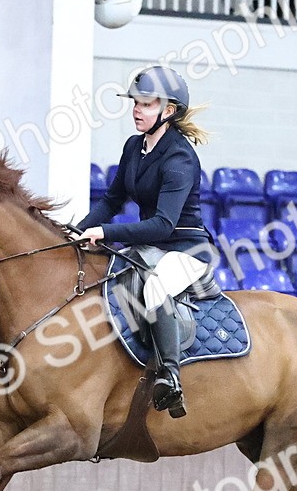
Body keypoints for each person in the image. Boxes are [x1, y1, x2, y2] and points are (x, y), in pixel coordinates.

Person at [73, 66, 215, 419]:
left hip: (185, 249)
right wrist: (78, 231)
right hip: (150, 248)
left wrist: (107, 233)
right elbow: (112, 200)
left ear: (168, 111)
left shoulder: (180, 157)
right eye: (135, 102)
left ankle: (170, 376)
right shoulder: (135, 146)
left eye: (146, 104)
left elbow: (163, 225)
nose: (136, 109)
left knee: (154, 290)